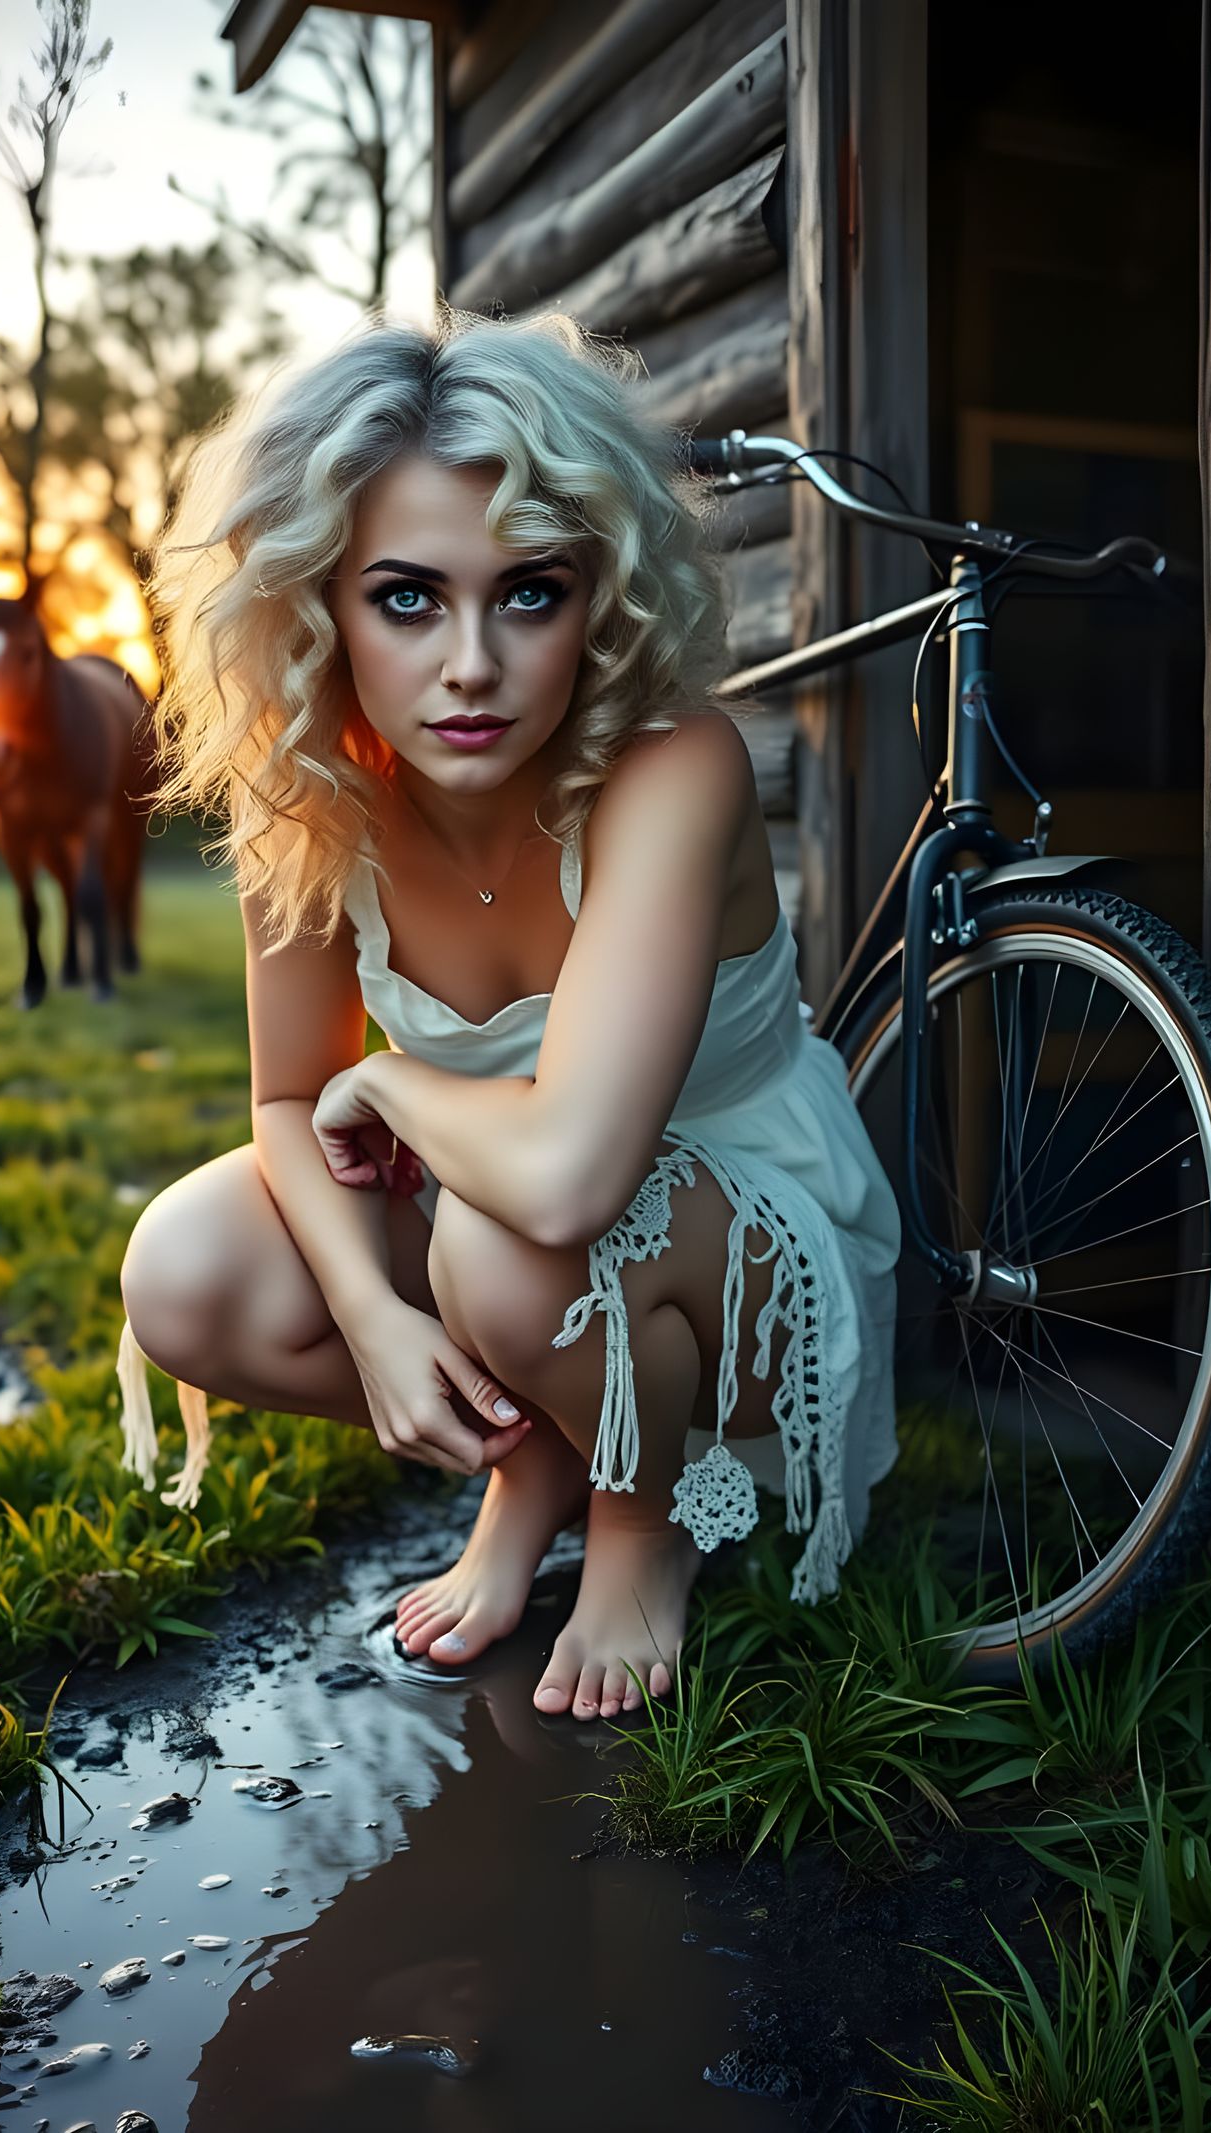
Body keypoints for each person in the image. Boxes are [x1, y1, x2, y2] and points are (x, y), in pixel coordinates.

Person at [116, 303, 902, 1724]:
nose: (469, 662)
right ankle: (539, 1454)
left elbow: (571, 1168)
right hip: (523, 1235)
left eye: (528, 591)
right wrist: (369, 1316)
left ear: (600, 595)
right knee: (185, 1266)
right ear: (319, 606)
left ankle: (634, 1523)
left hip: (744, 1255)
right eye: (407, 597)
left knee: (508, 1236)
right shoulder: (312, 795)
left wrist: (401, 1089)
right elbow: (289, 1100)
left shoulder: (676, 764)